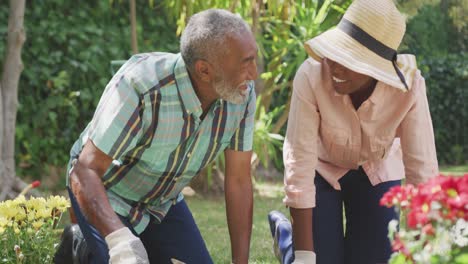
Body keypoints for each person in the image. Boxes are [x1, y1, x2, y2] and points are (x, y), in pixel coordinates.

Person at [57, 8, 258, 264]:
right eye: (245, 63)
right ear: (204, 71)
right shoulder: (141, 86)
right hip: (107, 193)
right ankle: (78, 244)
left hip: (162, 203)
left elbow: (239, 180)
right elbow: (84, 171)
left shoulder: (241, 94)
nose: (254, 73)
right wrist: (120, 242)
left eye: (254, 59)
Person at [268, 0, 439, 263]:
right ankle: (287, 239)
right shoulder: (311, 75)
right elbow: (299, 161)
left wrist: (425, 249)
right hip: (322, 169)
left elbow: (422, 170)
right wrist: (304, 256)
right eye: (336, 52)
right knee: (318, 259)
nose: (334, 65)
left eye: (349, 59)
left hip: (376, 170)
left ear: (378, 69)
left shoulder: (409, 88)